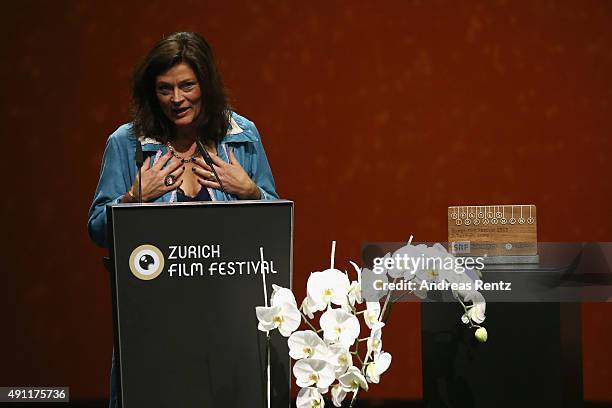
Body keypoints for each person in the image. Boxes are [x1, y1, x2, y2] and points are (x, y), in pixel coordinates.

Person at [87, 32, 278, 406]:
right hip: (155, 329)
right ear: (151, 92)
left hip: (229, 326)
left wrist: (251, 193)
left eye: (187, 86)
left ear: (205, 84)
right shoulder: (126, 144)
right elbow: (97, 228)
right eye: (165, 89)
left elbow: (276, 226)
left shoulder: (243, 137)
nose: (177, 99)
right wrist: (131, 199)